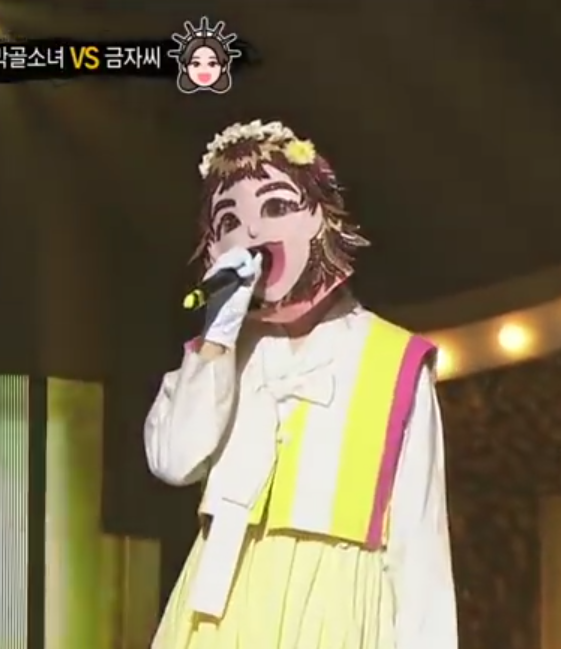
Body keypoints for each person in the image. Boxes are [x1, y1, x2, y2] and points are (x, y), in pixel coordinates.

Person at [145, 119, 458, 648]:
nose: (252, 233)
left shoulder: (393, 357)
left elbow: (420, 542)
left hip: (337, 612)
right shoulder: (219, 353)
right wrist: (218, 334)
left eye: (276, 207)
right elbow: (174, 461)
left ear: (324, 216)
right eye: (229, 219)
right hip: (219, 607)